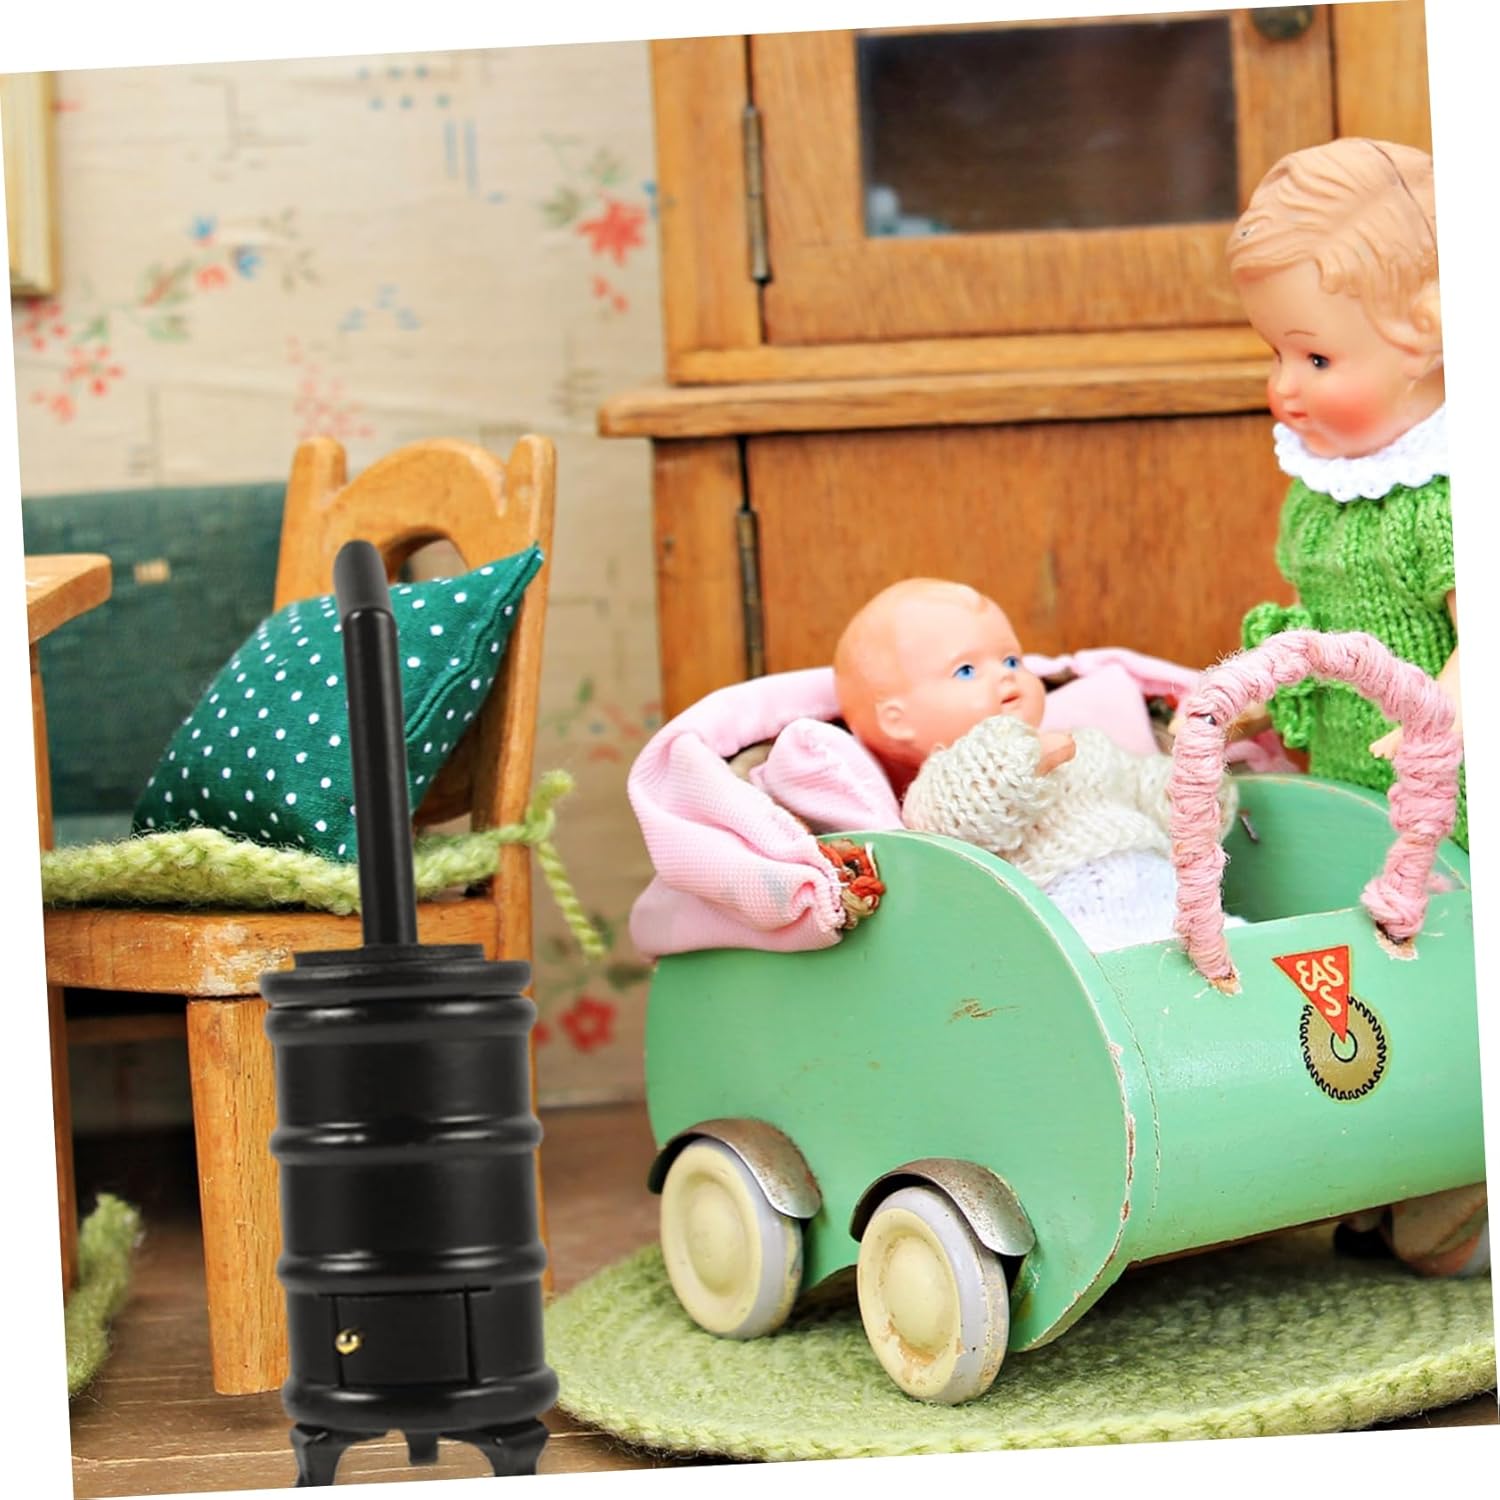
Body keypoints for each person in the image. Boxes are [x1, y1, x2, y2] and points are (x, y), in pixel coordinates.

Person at [1230, 138, 1464, 844]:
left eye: (1317, 357)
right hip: (1348, 785)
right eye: (1275, 353)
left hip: (1446, 798)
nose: (1284, 386)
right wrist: (1250, 695)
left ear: (1426, 338)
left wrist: (1439, 716)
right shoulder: (1322, 495)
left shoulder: (1445, 504)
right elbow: (1317, 628)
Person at [833, 577, 1236, 953]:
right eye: (967, 671)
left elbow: (1145, 789)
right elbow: (964, 813)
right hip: (1067, 918)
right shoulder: (937, 783)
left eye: (1011, 661)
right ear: (897, 720)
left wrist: (1194, 786)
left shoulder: (1088, 743)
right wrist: (1018, 760)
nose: (1006, 678)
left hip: (1166, 893)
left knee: (1242, 950)